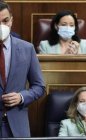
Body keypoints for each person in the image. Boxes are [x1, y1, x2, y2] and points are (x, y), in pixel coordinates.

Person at [0, 1, 45, 138]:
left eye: (5, 20)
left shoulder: (27, 48)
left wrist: (21, 97)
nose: (1, 26)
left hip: (17, 127)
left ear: (11, 21)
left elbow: (39, 86)